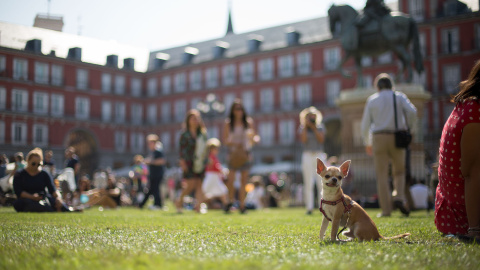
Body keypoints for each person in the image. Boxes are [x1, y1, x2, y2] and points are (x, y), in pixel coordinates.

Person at [360, 73, 417, 217]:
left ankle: (386, 210)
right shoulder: (399, 97)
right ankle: (398, 197)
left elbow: (365, 125)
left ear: (377, 87)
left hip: (378, 138)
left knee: (382, 176)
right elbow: (412, 112)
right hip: (398, 136)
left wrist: (367, 142)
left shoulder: (372, 100)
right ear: (392, 85)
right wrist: (410, 129)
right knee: (399, 171)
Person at [435, 60, 480, 241]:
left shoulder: (467, 107)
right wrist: (475, 229)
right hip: (463, 217)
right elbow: (472, 173)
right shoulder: (474, 113)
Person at [223, 99, 260, 214]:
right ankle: (230, 202)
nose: (239, 111)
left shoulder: (248, 122)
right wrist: (235, 143)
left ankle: (242, 205)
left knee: (244, 180)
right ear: (233, 111)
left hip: (245, 154)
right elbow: (225, 140)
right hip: (233, 154)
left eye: (240, 108)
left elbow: (254, 137)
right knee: (231, 180)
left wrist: (254, 139)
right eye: (236, 109)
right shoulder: (228, 123)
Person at [12, 148, 72, 212]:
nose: (36, 166)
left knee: (56, 202)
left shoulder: (44, 174)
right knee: (23, 203)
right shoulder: (19, 174)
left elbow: (52, 190)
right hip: (26, 199)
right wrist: (32, 197)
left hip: (42, 198)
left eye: (38, 164)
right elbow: (18, 192)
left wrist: (58, 198)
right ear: (28, 161)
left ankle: (70, 210)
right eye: (33, 164)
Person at [176, 109, 208, 213]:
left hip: (200, 162)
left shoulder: (202, 134)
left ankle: (198, 207)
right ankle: (179, 200)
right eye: (193, 118)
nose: (195, 120)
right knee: (190, 184)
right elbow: (181, 150)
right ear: (188, 120)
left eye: (197, 118)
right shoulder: (184, 134)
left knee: (199, 184)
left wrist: (207, 159)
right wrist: (182, 162)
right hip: (189, 162)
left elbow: (205, 149)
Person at [298, 106, 326, 215]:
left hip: (319, 154)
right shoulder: (302, 128)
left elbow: (321, 140)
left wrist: (314, 128)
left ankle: (322, 207)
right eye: (310, 117)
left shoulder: (320, 127)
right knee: (308, 182)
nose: (312, 119)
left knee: (321, 182)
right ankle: (309, 207)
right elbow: (303, 140)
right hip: (307, 155)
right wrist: (306, 126)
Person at [201, 138, 231, 213]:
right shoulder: (210, 157)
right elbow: (215, 166)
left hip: (215, 176)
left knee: (222, 191)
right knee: (205, 191)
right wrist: (222, 171)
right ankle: (199, 204)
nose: (217, 150)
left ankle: (226, 205)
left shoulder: (212, 157)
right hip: (211, 176)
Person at [139, 134, 166, 210]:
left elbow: (162, 161)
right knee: (152, 189)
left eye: (150, 143)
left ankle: (157, 205)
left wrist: (150, 162)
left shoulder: (158, 151)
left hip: (157, 174)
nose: (149, 145)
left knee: (155, 189)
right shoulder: (153, 152)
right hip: (153, 174)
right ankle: (143, 204)